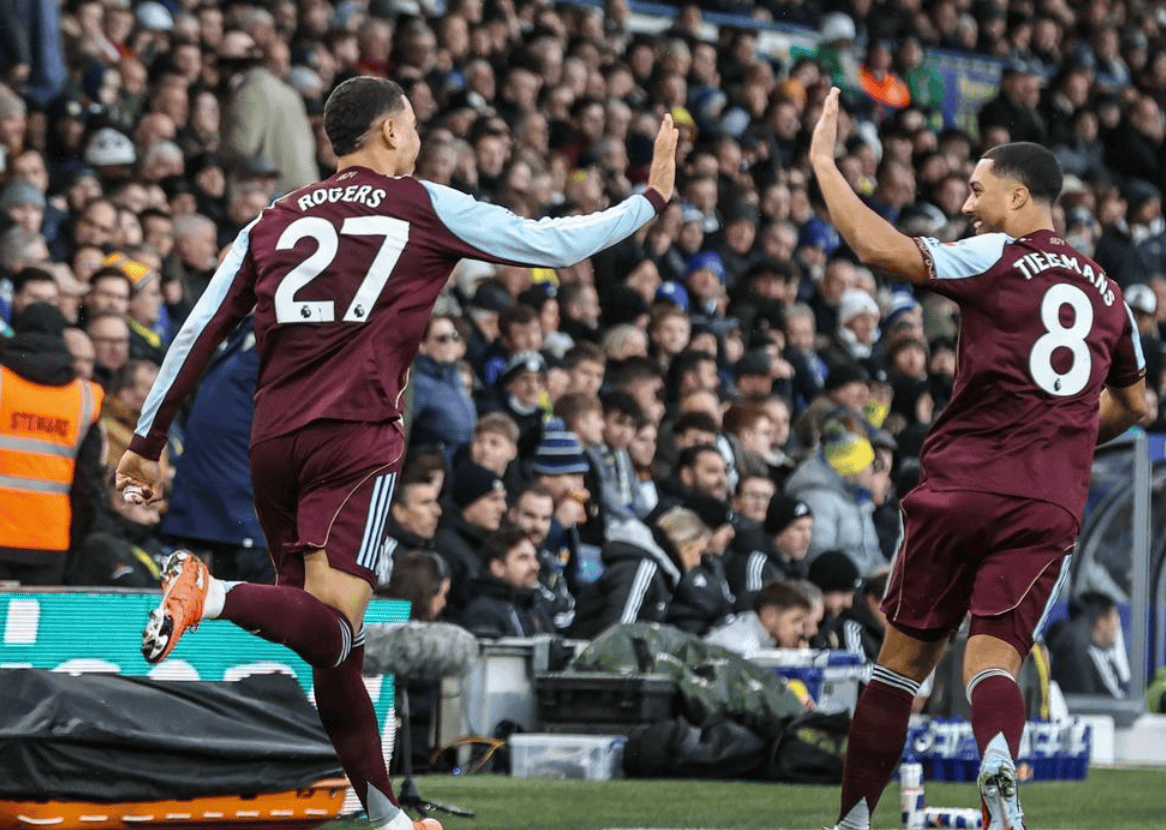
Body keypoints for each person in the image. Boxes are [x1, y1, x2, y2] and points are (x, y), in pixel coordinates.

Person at [116, 76, 678, 830]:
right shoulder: (422, 204)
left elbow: (201, 326)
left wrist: (147, 441)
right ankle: (209, 593)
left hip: (273, 442)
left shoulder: (273, 217)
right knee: (338, 628)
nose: (417, 140)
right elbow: (553, 242)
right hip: (355, 438)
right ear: (388, 131)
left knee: (329, 647)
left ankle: (387, 819)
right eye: (412, 126)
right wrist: (650, 199)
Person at [810, 87, 1146, 830]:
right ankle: (997, 765)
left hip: (962, 485)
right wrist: (1062, 430)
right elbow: (1138, 405)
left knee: (899, 666)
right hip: (1047, 501)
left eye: (976, 190)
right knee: (995, 658)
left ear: (1018, 196)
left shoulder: (998, 254)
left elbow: (879, 250)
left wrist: (826, 167)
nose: (966, 205)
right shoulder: (1111, 293)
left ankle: (854, 820)